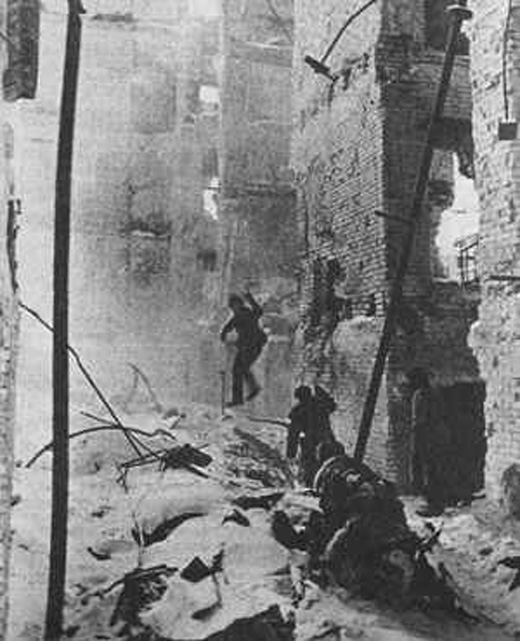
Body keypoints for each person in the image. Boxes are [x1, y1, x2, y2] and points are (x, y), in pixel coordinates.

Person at [406, 368, 452, 517]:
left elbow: (420, 421)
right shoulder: (434, 393)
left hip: (425, 436)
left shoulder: (420, 395)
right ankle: (434, 502)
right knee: (432, 469)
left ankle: (432, 505)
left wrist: (416, 441)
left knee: (427, 469)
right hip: (436, 436)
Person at [220, 291, 267, 407]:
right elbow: (226, 329)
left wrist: (250, 298)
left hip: (253, 346)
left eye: (234, 305)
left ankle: (249, 391)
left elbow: (259, 311)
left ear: (239, 304)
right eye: (231, 307)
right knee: (238, 369)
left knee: (240, 368)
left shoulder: (248, 313)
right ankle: (244, 394)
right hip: (246, 346)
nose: (233, 309)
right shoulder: (237, 316)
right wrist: (224, 337)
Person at [286, 384, 337, 486]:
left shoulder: (298, 411)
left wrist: (291, 453)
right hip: (327, 440)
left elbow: (293, 435)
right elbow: (332, 405)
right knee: (331, 464)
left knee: (310, 467)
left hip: (310, 444)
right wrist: (322, 393)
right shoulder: (320, 404)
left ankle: (310, 485)